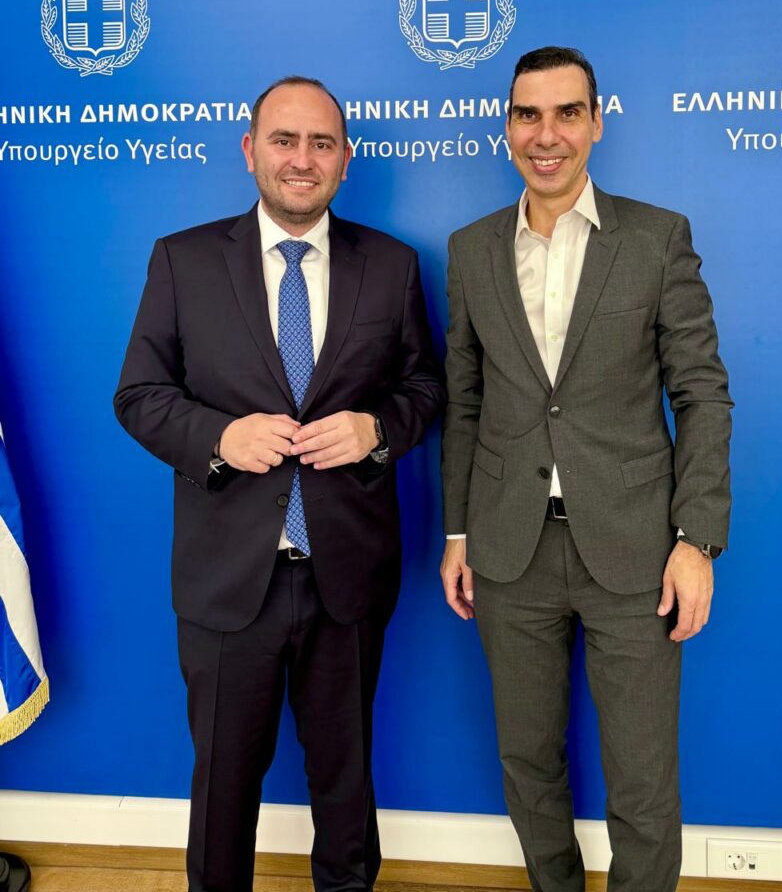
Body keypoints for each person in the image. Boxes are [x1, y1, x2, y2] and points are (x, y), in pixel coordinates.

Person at [115, 75, 444, 892]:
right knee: (223, 786)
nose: (303, 159)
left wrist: (376, 430)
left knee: (346, 781)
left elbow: (425, 389)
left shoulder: (392, 265)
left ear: (345, 159)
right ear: (250, 149)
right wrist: (219, 437)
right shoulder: (184, 260)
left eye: (321, 143)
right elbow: (140, 395)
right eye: (284, 140)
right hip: (228, 578)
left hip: (347, 576)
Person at [440, 46, 732, 892]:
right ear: (506, 129)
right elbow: (464, 404)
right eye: (528, 115)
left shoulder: (657, 238)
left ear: (597, 123)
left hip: (636, 553)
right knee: (527, 761)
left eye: (568, 113)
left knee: (642, 778)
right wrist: (458, 532)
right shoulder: (471, 250)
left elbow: (702, 394)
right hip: (509, 552)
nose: (548, 135)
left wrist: (697, 541)